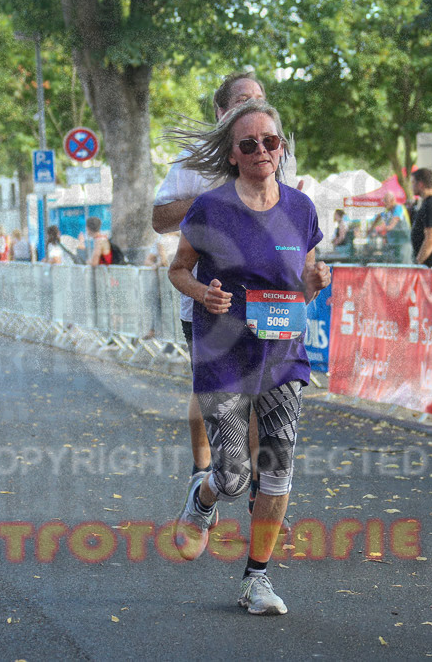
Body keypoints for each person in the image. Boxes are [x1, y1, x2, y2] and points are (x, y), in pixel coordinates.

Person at [168, 99, 330, 616]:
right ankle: (205, 497)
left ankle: (256, 580)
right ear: (233, 154)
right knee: (236, 477)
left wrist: (315, 282)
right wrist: (203, 293)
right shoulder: (210, 208)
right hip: (224, 357)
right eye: (249, 143)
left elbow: (302, 287)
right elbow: (178, 269)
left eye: (270, 141)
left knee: (276, 469)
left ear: (281, 148)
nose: (262, 150)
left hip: (283, 356)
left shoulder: (301, 209)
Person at [154, 71, 300, 524]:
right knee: (214, 398)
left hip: (268, 304)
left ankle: (259, 488)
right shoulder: (194, 160)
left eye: (258, 98)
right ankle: (205, 475)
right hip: (209, 302)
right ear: (220, 111)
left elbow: (289, 213)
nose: (250, 106)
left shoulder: (277, 149)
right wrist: (218, 198)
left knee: (261, 400)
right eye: (240, 100)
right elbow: (160, 219)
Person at [370, 192, 412, 263]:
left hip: (404, 242)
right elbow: (378, 216)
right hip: (393, 243)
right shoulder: (387, 210)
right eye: (384, 201)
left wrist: (379, 229)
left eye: (386, 201)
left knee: (404, 264)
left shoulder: (399, 208)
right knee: (393, 264)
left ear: (392, 200)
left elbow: (391, 226)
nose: (384, 203)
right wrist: (371, 228)